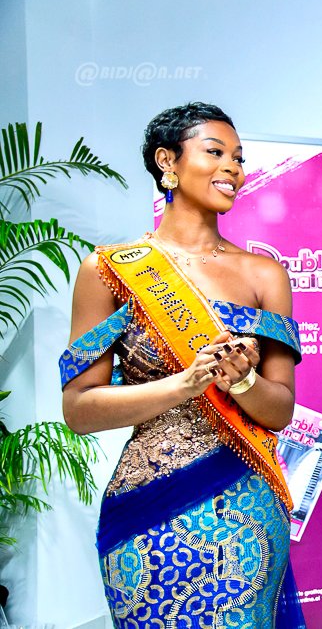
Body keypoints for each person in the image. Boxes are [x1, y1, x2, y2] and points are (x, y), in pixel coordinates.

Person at [60, 102, 305, 627]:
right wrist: (185, 384)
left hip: (245, 503)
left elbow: (281, 410)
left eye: (238, 157)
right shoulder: (108, 270)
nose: (232, 167)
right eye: (215, 152)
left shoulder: (265, 275)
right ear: (167, 161)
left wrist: (242, 381)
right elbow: (79, 410)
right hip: (149, 508)